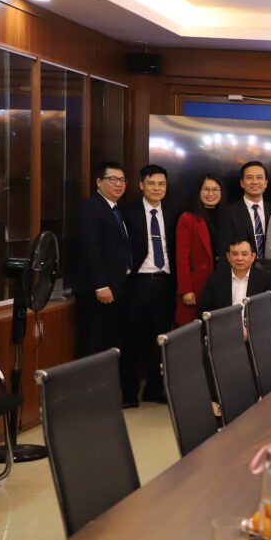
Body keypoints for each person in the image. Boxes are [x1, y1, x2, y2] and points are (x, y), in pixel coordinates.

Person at [121, 164, 177, 407]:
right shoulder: (127, 212)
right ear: (141, 185)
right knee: (131, 339)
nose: (157, 188)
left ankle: (155, 389)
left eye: (161, 184)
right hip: (137, 283)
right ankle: (129, 394)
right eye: (152, 183)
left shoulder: (174, 212)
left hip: (165, 284)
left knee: (160, 340)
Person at [73, 162, 132, 360]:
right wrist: (101, 285)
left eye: (122, 180)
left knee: (109, 343)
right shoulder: (90, 208)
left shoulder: (115, 209)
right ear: (99, 182)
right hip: (97, 292)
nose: (119, 184)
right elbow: (90, 250)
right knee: (94, 345)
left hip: (116, 289)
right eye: (112, 179)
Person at [175, 174, 221, 326]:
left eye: (215, 189)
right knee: (194, 329)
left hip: (221, 282)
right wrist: (186, 289)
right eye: (206, 189)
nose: (211, 194)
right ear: (198, 192)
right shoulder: (187, 218)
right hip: (197, 284)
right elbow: (182, 257)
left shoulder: (227, 216)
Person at [215, 161, 271, 263]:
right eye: (249, 177)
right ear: (242, 183)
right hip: (241, 269)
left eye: (259, 177)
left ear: (266, 183)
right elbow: (224, 251)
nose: (255, 182)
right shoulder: (228, 213)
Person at [197, 238, 271, 316]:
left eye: (244, 254)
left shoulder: (267, 279)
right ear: (228, 256)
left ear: (253, 256)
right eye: (235, 254)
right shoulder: (215, 280)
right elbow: (204, 311)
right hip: (224, 325)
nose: (239, 258)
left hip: (256, 325)